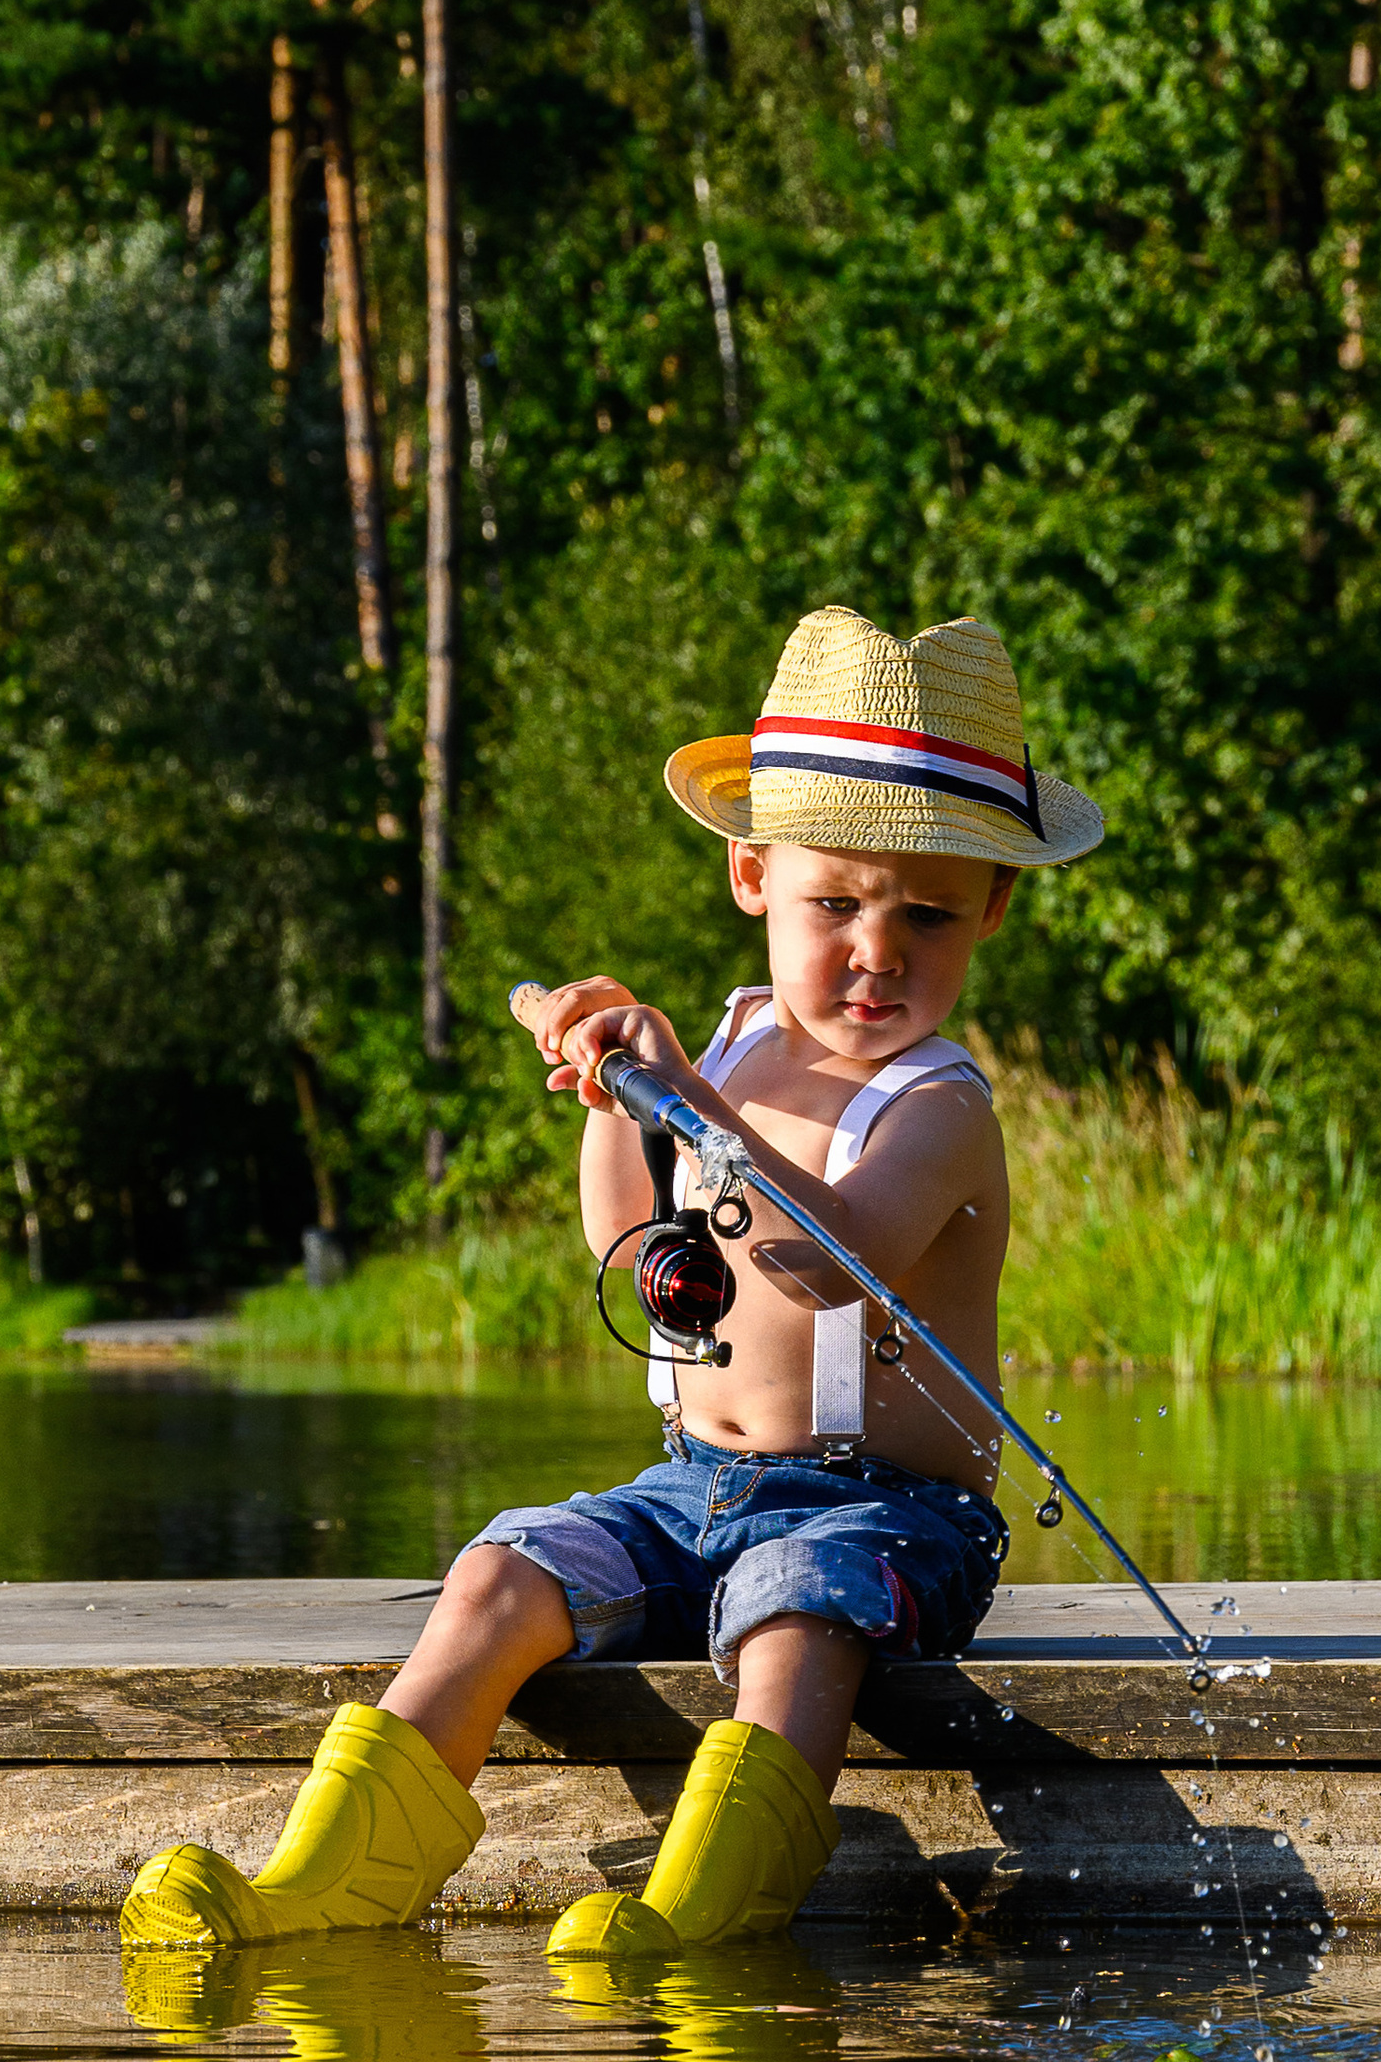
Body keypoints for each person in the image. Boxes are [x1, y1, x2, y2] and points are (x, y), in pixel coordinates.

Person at [121, 605, 1104, 1961]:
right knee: (496, 1572)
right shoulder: (741, 1039)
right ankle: (321, 1882)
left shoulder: (940, 1109)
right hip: (690, 1483)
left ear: (992, 909)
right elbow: (631, 1242)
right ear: (754, 876)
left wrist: (685, 1093)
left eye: (926, 916)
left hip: (890, 1512)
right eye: (836, 904)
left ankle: (701, 1905)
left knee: (800, 1612)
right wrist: (611, 1101)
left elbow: (827, 1265)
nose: (877, 951)